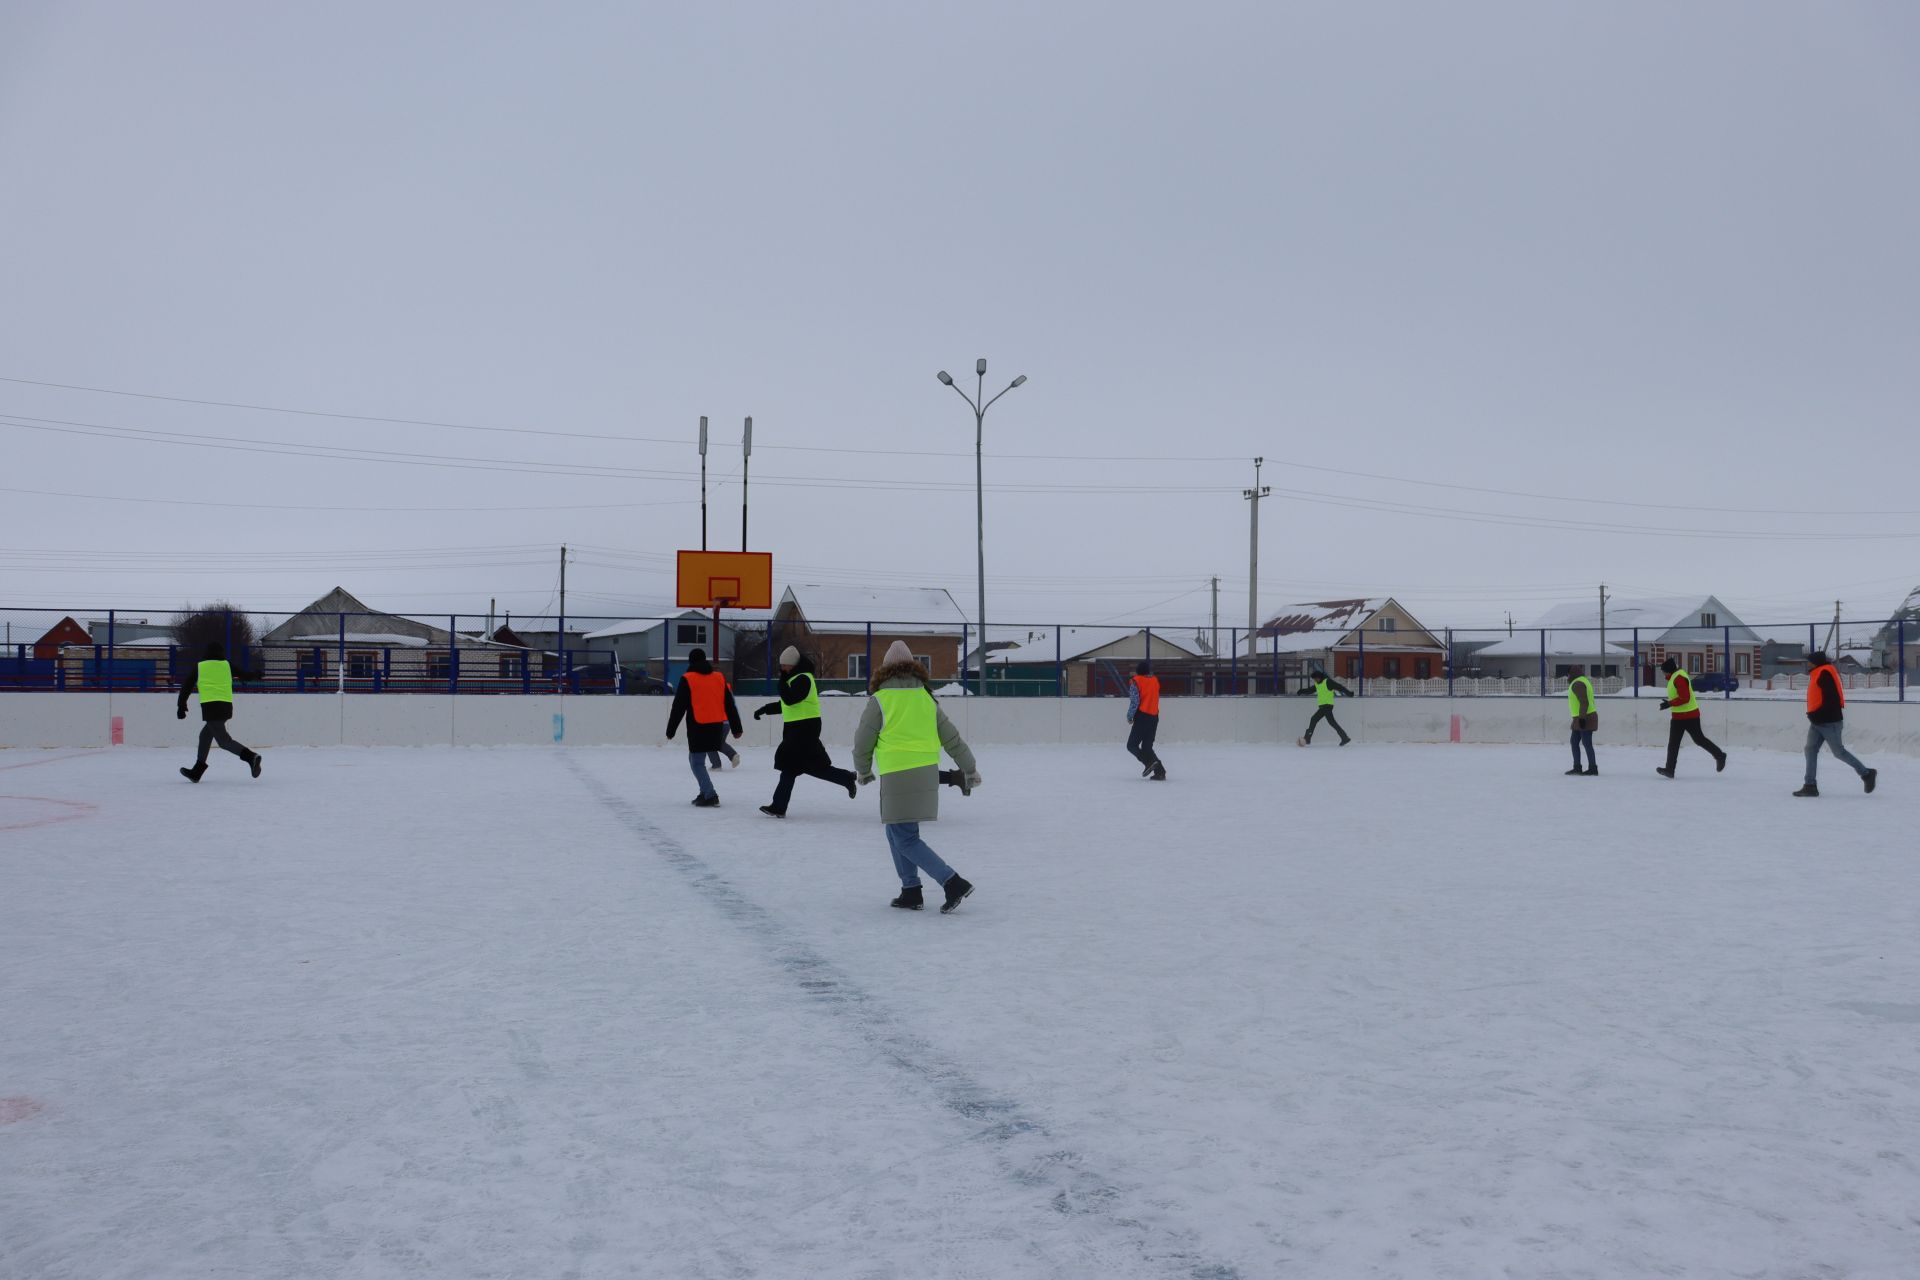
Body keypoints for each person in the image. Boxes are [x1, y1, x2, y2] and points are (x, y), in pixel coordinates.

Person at [852, 640, 980, 913]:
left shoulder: (881, 699)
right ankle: (910, 889)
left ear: (885, 669)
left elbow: (863, 739)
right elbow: (952, 739)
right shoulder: (926, 698)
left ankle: (952, 881)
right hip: (925, 773)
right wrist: (969, 768)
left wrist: (862, 770)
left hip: (898, 773)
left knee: (904, 836)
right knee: (895, 831)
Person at [753, 646, 858, 817]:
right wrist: (765, 709)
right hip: (797, 728)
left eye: (785, 665)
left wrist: (781, 681)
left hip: (805, 729)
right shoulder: (795, 679)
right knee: (807, 766)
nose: (782, 668)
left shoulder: (803, 679)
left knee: (790, 765)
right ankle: (845, 778)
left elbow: (790, 699)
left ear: (793, 665)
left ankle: (779, 806)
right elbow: (787, 704)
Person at [665, 648, 742, 807]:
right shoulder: (719, 677)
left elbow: (678, 707)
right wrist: (736, 727)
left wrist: (671, 730)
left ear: (691, 662)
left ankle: (710, 795)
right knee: (695, 760)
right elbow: (730, 705)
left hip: (698, 726)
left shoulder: (688, 678)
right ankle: (704, 791)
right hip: (716, 725)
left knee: (697, 762)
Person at [176, 641, 262, 782]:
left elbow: (187, 686)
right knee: (205, 736)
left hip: (211, 707)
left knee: (223, 741)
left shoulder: (200, 666)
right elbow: (245, 675)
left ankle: (251, 757)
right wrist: (257, 674)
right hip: (226, 707)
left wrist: (181, 706)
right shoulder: (227, 665)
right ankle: (197, 771)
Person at [1794, 651, 1877, 797]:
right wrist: (1815, 716)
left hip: (1829, 721)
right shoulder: (1818, 672)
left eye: (1809, 661)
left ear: (1815, 662)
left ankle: (1867, 773)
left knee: (1839, 752)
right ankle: (1810, 785)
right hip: (1818, 721)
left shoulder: (1824, 674)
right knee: (1810, 750)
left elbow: (1832, 699)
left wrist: (1818, 714)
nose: (1807, 664)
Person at [1655, 656, 1725, 779]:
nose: (1663, 673)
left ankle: (1719, 755)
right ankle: (1670, 770)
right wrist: (1669, 704)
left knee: (1699, 740)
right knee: (1673, 743)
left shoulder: (1679, 678)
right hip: (1678, 717)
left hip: (1689, 716)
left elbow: (1685, 698)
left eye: (1664, 671)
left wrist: (1669, 704)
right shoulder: (1675, 677)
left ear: (1669, 670)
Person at [1126, 660, 1168, 780]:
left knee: (1131, 745)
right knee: (1147, 747)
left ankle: (1147, 763)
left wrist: (1129, 716)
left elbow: (1135, 702)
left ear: (1138, 671)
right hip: (1154, 717)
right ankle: (1160, 772)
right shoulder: (1155, 680)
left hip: (1142, 716)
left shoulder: (1136, 681)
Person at [1298, 668, 1353, 746]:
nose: (1315, 680)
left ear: (1320, 677)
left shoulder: (1327, 682)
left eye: (1316, 678)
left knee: (1314, 719)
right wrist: (1301, 691)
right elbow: (1310, 690)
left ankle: (1307, 738)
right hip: (1323, 706)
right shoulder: (1318, 684)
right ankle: (1344, 738)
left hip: (1327, 706)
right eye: (1314, 679)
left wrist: (1348, 693)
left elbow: (1339, 687)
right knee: (1332, 722)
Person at [1566, 665, 1599, 776]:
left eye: (1569, 674)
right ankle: (1577, 767)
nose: (1568, 676)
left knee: (1586, 743)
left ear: (1573, 674)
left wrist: (1582, 718)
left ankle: (1593, 768)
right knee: (1574, 742)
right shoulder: (1583, 680)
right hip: (1580, 718)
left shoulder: (1577, 684)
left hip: (1585, 717)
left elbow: (1584, 702)